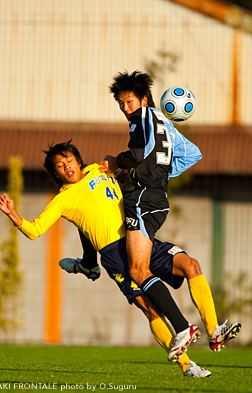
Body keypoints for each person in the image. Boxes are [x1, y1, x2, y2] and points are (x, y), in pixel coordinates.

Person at [0, 141, 240, 376]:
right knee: (152, 311)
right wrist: (13, 214)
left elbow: (123, 173)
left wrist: (124, 169)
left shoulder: (97, 169)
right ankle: (188, 367)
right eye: (59, 166)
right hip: (116, 255)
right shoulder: (62, 199)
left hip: (140, 236)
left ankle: (214, 331)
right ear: (55, 174)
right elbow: (34, 230)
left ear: (78, 160)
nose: (67, 166)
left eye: (69, 160)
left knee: (191, 265)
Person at [101, 70, 212, 360]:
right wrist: (159, 175)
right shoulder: (162, 121)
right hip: (157, 197)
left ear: (144, 99)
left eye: (129, 102)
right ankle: (187, 327)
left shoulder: (141, 119)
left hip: (141, 197)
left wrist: (118, 164)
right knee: (143, 268)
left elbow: (136, 154)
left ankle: (183, 328)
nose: (126, 109)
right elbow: (191, 154)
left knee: (138, 271)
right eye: (121, 104)